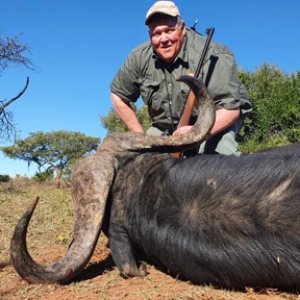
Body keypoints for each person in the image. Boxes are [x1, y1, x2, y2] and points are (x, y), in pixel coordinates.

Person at [110, 1, 252, 156]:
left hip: (214, 122)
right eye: (157, 33)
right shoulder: (139, 57)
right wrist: (140, 137)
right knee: (141, 163)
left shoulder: (214, 54)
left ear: (182, 29)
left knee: (218, 161)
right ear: (149, 35)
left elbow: (230, 109)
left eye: (169, 30)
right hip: (165, 127)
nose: (163, 39)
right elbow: (118, 96)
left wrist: (197, 132)